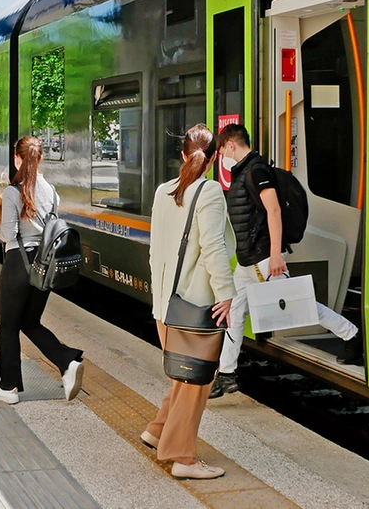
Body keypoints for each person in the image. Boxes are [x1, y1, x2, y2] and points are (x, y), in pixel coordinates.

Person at [211, 124, 362, 400]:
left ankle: (351, 335)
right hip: (247, 262)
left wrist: (277, 254)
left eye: (222, 150)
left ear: (231, 144)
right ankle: (226, 375)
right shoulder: (244, 171)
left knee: (300, 305)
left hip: (264, 258)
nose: (222, 156)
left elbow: (274, 210)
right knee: (234, 315)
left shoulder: (256, 171)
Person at [142, 124, 235, 480]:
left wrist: (159, 298)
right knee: (198, 383)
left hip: (165, 305)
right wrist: (226, 294)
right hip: (196, 307)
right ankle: (182, 457)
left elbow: (154, 250)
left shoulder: (163, 190)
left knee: (184, 377)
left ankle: (156, 430)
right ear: (212, 159)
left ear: (183, 154)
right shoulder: (209, 192)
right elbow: (214, 247)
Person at [0, 136, 84, 406]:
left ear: (17, 159)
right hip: (43, 266)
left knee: (8, 325)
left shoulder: (13, 192)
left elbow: (8, 234)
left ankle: (8, 388)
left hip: (18, 263)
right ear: (40, 159)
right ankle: (67, 361)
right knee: (30, 322)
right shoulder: (51, 191)